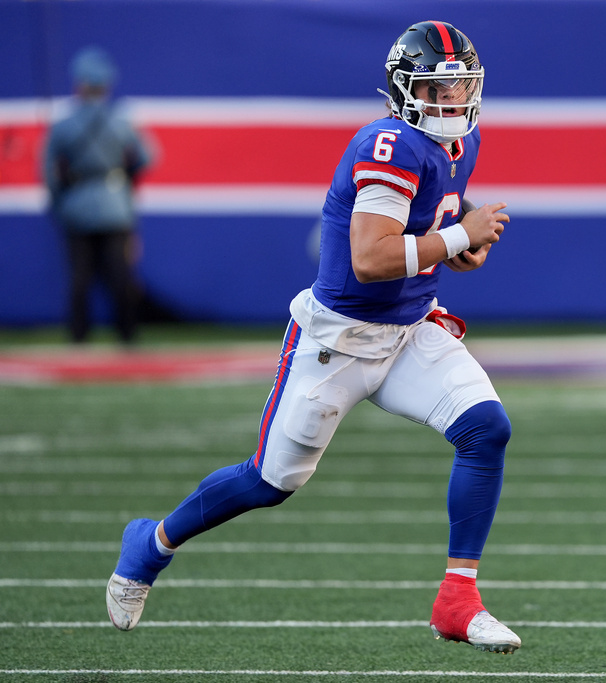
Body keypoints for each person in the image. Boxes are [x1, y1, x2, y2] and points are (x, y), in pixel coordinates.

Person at [104, 21, 521, 654]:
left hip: (410, 329)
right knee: (271, 482)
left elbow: (434, 233)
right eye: (440, 89)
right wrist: (462, 235)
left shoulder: (463, 140)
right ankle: (152, 541)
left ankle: (457, 600)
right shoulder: (388, 144)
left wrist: (462, 244)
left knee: (486, 428)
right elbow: (372, 259)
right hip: (341, 338)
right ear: (407, 92)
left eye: (463, 87)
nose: (455, 102)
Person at [43, 46, 152, 345]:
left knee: (80, 277)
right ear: (107, 83)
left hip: (76, 204)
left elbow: (49, 171)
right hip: (115, 203)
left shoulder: (63, 124)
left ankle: (79, 337)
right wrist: (123, 182)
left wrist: (60, 201)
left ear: (79, 83)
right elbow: (146, 157)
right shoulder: (122, 120)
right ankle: (127, 335)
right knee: (120, 273)